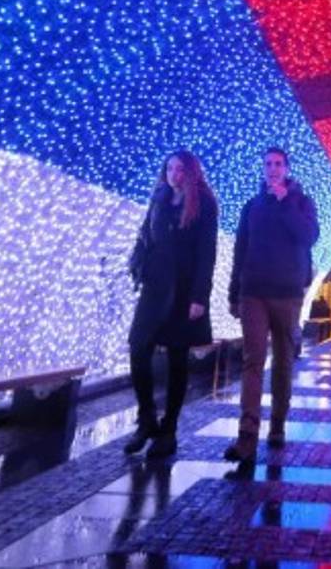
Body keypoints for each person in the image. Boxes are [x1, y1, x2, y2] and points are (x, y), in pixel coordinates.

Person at [224, 147, 319, 462]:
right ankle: (247, 435)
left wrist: (285, 202)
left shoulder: (301, 202)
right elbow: (240, 249)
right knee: (253, 362)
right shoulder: (252, 206)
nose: (273, 169)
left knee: (282, 362)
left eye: (278, 164)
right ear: (263, 169)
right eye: (268, 164)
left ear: (287, 169)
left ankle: (277, 424)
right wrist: (233, 292)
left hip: (288, 293)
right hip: (254, 291)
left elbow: (308, 236)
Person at [124, 151, 218, 458]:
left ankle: (169, 430)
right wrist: (138, 263)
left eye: (180, 169)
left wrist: (199, 297)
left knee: (178, 358)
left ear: (192, 173)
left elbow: (207, 253)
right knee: (138, 346)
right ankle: (147, 418)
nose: (174, 174)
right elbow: (144, 236)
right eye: (170, 168)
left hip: (183, 290)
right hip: (154, 287)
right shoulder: (159, 199)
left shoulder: (204, 204)